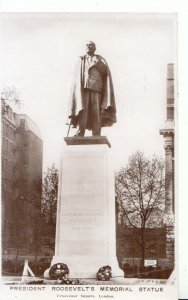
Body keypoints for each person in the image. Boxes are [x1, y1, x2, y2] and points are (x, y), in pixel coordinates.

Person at [68, 41, 117, 137]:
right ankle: (80, 132)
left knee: (96, 111)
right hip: (84, 88)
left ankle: (96, 133)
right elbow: (77, 77)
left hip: (97, 88)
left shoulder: (99, 59)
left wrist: (97, 62)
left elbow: (105, 73)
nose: (89, 47)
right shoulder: (81, 59)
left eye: (91, 45)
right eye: (87, 45)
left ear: (94, 48)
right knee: (82, 110)